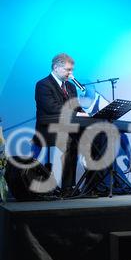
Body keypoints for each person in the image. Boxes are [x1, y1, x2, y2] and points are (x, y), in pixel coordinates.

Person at [33, 53, 86, 197]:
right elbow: (52, 108)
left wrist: (84, 113)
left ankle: (93, 185)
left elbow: (75, 107)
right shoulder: (43, 85)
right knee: (69, 140)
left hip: (69, 126)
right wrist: (76, 115)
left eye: (72, 70)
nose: (71, 73)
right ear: (56, 67)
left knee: (98, 137)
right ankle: (67, 188)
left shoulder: (70, 87)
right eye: (68, 70)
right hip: (49, 129)